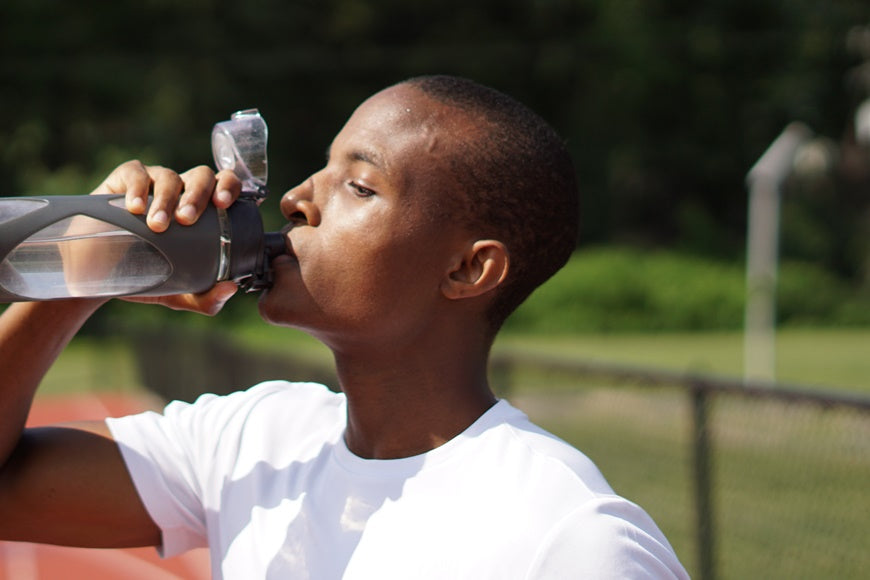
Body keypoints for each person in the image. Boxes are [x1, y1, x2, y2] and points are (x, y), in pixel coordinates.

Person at [0, 75, 688, 578]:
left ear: (468, 271)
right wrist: (81, 263)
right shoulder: (258, 441)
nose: (297, 199)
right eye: (319, 171)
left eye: (358, 186)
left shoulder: (570, 539)